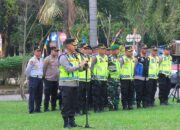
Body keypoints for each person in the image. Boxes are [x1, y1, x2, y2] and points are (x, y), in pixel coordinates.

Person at [59, 38, 86, 128]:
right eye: (73, 45)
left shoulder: (75, 56)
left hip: (75, 83)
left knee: (74, 103)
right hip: (66, 84)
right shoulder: (63, 57)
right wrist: (79, 65)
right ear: (67, 46)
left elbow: (79, 69)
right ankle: (66, 122)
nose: (75, 47)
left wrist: (84, 67)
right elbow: (68, 69)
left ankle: (72, 121)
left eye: (75, 45)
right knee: (66, 104)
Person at [25, 47, 43, 114]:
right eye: (37, 51)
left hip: (40, 78)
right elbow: (27, 71)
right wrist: (28, 78)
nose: (39, 53)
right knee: (32, 94)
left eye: (40, 51)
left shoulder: (41, 59)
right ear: (34, 52)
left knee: (39, 94)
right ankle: (31, 110)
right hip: (33, 78)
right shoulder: (32, 60)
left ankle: (38, 108)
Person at [91, 44, 108, 112]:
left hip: (104, 79)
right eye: (101, 49)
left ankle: (101, 107)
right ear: (98, 49)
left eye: (104, 49)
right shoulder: (95, 58)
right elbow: (91, 67)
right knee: (96, 94)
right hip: (97, 79)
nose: (103, 50)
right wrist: (93, 76)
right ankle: (96, 108)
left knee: (103, 94)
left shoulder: (106, 57)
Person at [43, 47, 59, 112]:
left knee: (54, 94)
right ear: (52, 51)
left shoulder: (58, 59)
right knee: (47, 94)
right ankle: (46, 108)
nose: (56, 52)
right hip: (48, 79)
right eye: (55, 51)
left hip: (55, 80)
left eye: (57, 51)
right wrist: (44, 76)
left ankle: (53, 107)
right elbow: (44, 69)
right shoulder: (47, 59)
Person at [78, 44, 92, 114]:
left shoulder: (88, 57)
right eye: (84, 48)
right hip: (80, 79)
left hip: (87, 78)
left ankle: (85, 110)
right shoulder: (78, 56)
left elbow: (90, 67)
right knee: (79, 96)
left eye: (86, 48)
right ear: (80, 49)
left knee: (86, 96)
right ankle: (79, 110)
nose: (85, 50)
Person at [120, 46, 135, 110]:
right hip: (124, 79)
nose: (131, 53)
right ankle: (124, 105)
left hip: (131, 78)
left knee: (131, 92)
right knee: (124, 93)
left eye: (131, 51)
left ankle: (130, 105)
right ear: (125, 52)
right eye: (129, 51)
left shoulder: (133, 59)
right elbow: (119, 67)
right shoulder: (122, 59)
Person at [107, 44, 120, 111]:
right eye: (117, 50)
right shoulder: (110, 58)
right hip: (111, 79)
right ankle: (111, 107)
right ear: (113, 51)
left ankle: (116, 106)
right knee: (111, 94)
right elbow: (112, 69)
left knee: (117, 93)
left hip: (117, 78)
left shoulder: (117, 58)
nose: (118, 51)